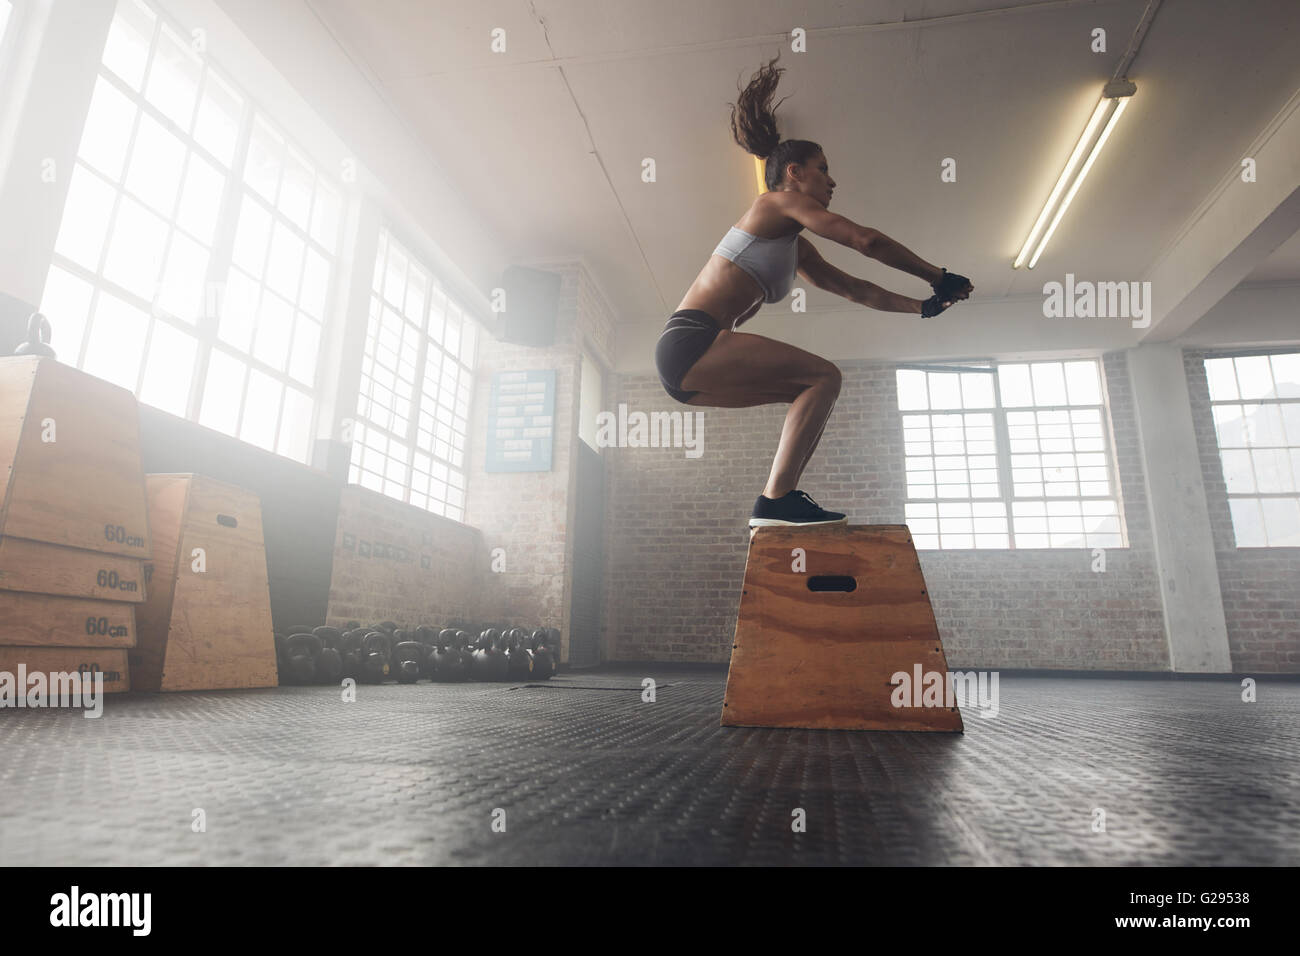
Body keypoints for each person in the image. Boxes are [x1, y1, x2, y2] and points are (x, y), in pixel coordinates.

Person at [654, 56, 973, 529]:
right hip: (692, 340)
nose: (833, 181)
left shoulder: (793, 247)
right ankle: (775, 500)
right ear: (794, 174)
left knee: (814, 386)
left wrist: (922, 307)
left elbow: (853, 288)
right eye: (823, 169)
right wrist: (936, 275)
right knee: (823, 376)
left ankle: (777, 502)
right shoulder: (773, 205)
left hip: (686, 374)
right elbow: (866, 241)